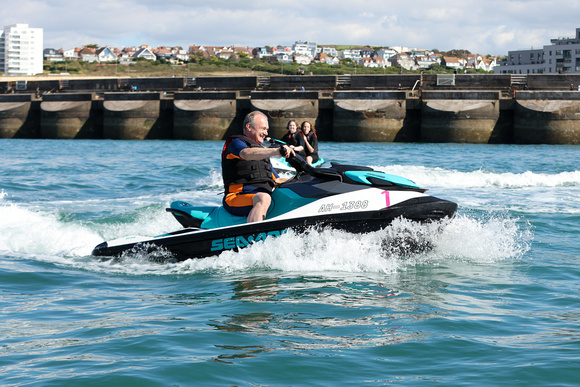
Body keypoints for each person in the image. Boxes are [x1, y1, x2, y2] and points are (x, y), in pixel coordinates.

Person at [222, 111, 295, 223]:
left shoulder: (262, 154)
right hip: (236, 197)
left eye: (267, 130)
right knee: (264, 198)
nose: (266, 133)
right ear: (249, 127)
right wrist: (276, 151)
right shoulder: (236, 143)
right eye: (263, 129)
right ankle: (253, 236)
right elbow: (246, 154)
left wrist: (304, 182)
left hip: (259, 196)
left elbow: (278, 180)